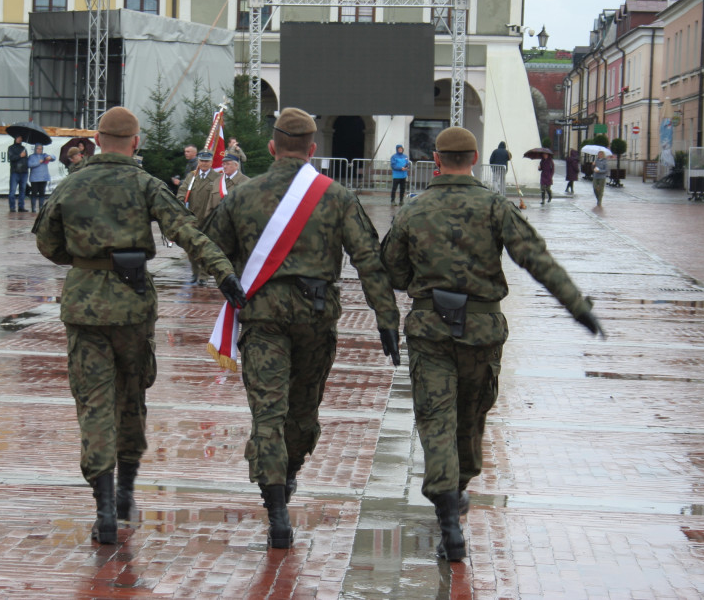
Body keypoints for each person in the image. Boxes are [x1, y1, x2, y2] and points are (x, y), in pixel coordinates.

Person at [380, 126, 605, 562]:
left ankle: (448, 518)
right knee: (470, 417)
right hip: (482, 331)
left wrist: (422, 287)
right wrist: (578, 307)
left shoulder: (413, 210)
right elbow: (536, 259)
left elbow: (392, 271)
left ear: (437, 161)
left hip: (430, 332)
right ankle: (457, 492)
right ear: (476, 157)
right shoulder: (494, 206)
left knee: (436, 421)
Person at [33, 106, 245, 545]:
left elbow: (47, 243)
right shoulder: (146, 184)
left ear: (96, 140)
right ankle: (126, 493)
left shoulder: (72, 184)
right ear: (135, 143)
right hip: (132, 308)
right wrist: (224, 274)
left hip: (84, 308)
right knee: (131, 398)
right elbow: (187, 231)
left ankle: (104, 509)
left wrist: (86, 262)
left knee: (93, 404)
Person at [202, 107, 401, 549]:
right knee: (303, 412)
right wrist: (386, 318)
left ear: (272, 147)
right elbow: (369, 260)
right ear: (313, 150)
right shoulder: (336, 196)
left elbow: (208, 248)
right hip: (316, 317)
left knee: (268, 415)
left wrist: (229, 280)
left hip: (263, 317)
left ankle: (276, 510)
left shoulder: (242, 195)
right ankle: (287, 477)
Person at [176, 150, 223, 286]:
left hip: (209, 219)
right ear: (198, 161)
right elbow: (182, 191)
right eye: (202, 161)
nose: (204, 163)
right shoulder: (192, 177)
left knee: (205, 249)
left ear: (211, 162)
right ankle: (195, 273)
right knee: (191, 248)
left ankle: (204, 276)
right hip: (192, 218)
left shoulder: (217, 178)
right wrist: (180, 202)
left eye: (207, 161)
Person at [27, 144, 55, 212]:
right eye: (38, 148)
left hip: (43, 178)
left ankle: (41, 207)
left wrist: (50, 157)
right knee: (34, 193)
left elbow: (54, 158)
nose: (39, 150)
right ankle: (33, 208)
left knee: (42, 193)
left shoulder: (44, 155)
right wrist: (38, 162)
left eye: (41, 149)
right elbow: (29, 165)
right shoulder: (31, 156)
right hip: (34, 178)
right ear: (35, 149)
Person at [8, 135, 29, 212]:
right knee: (12, 191)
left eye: (21, 138)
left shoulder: (24, 148)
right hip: (15, 172)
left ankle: (21, 207)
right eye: (18, 137)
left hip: (24, 172)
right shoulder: (11, 148)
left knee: (22, 191)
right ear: (15, 138)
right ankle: (12, 207)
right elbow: (11, 158)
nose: (20, 139)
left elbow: (26, 160)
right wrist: (20, 155)